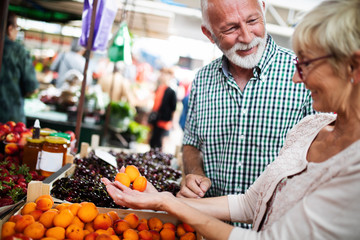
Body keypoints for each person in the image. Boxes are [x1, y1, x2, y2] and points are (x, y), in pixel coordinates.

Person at [103, 0, 360, 238]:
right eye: (230, 28)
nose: (296, 77)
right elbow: (251, 202)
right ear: (209, 34)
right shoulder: (310, 129)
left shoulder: (353, 165)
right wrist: (164, 199)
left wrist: (167, 203)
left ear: (353, 67)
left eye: (306, 64)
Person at [179, 0, 315, 227]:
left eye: (252, 21)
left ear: (263, 8)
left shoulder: (304, 74)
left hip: (277, 229)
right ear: (209, 34)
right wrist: (194, 173)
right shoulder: (203, 80)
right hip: (209, 227)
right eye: (231, 28)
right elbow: (191, 143)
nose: (246, 36)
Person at [0, 12, 39, 124]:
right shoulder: (18, 51)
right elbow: (32, 88)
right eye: (17, 28)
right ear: (10, 28)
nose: (17, 32)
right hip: (10, 120)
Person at [149, 67, 177, 149]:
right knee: (152, 142)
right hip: (156, 120)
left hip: (164, 122)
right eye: (162, 74)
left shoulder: (171, 91)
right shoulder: (159, 88)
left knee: (159, 144)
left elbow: (173, 108)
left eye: (165, 74)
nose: (162, 76)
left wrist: (173, 123)